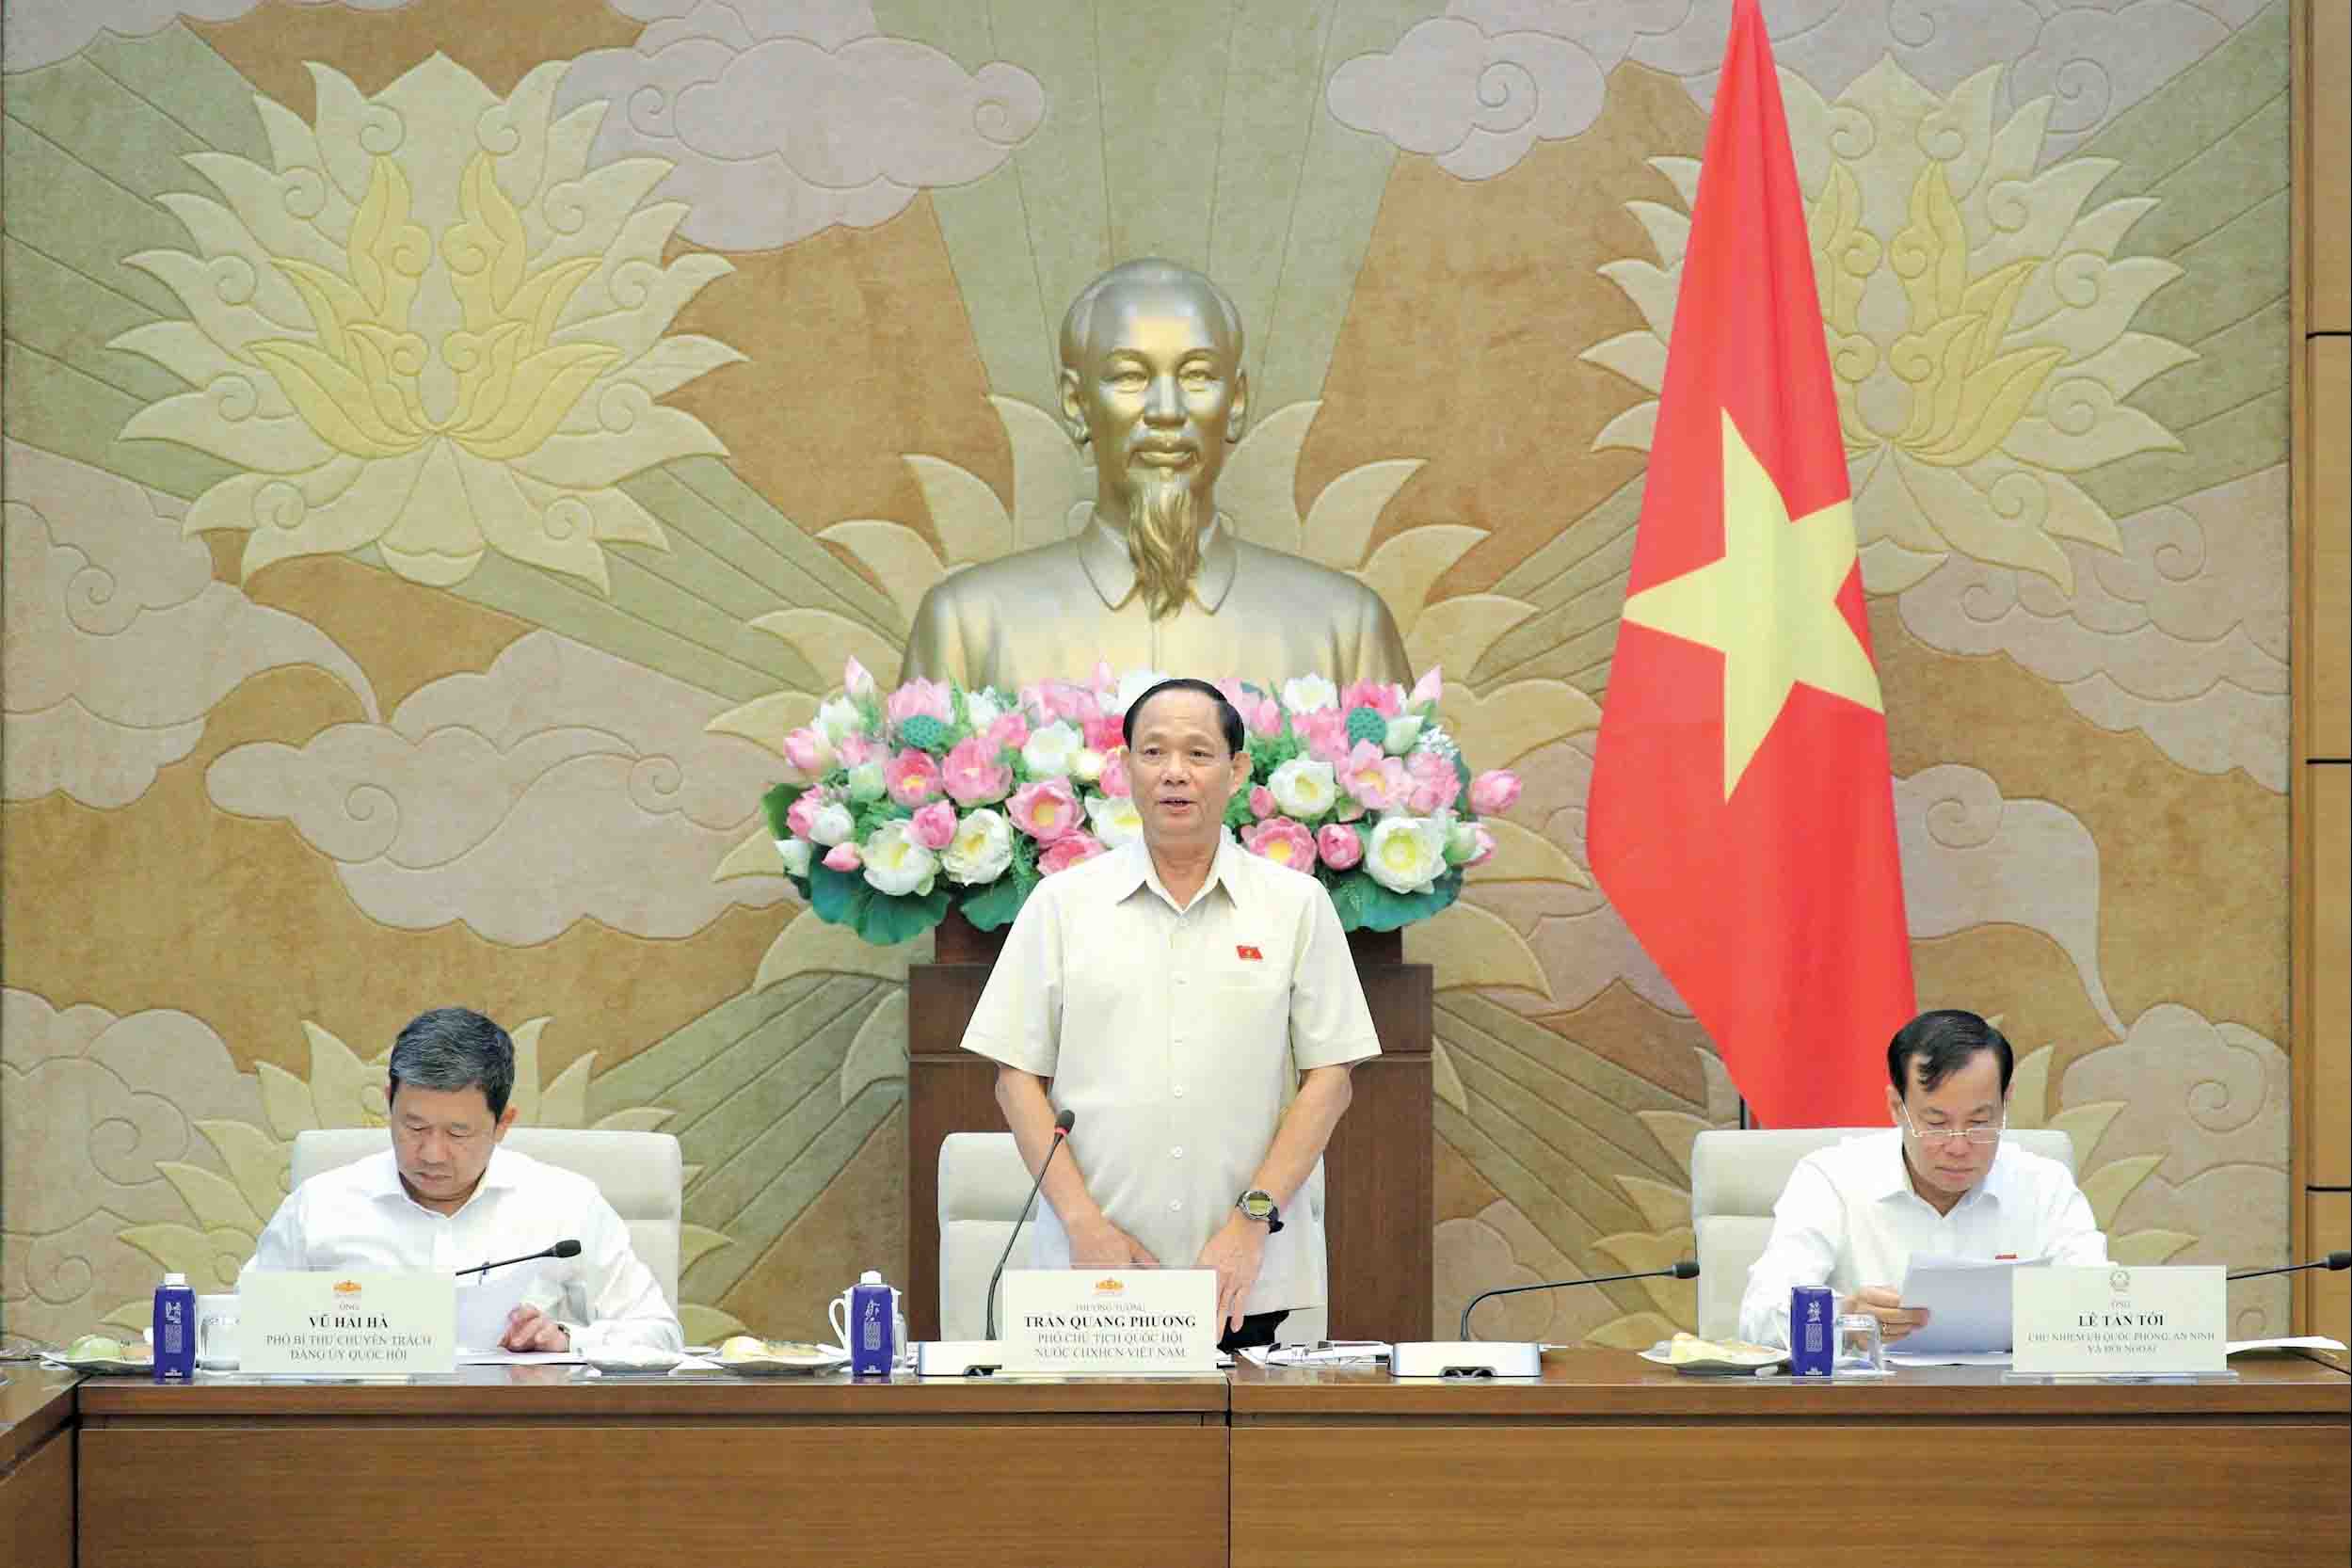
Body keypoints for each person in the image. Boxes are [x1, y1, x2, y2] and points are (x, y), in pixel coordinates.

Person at [961, 678, 1381, 1351]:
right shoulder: (1062, 904)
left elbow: (1330, 1079)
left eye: (1198, 753)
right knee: (1102, 1458)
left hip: (1247, 1272)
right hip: (1092, 1265)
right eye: (1153, 752)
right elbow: (1015, 1079)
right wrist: (1084, 1227)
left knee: (1242, 1457)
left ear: (1237, 770)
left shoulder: (1295, 906)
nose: (1175, 773)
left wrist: (1251, 1223)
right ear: (1124, 768)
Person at [901, 259, 1412, 692]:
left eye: (1196, 376)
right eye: (1129, 376)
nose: (1166, 411)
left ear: (1234, 402)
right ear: (1076, 403)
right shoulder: (967, 627)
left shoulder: (1346, 631)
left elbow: (1411, 809)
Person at [245, 1007, 682, 1355]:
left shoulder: (564, 1204)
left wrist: (567, 1340)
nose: (432, 1153)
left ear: (502, 1124)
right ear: (389, 1104)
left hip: (515, 1441)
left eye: (457, 1133)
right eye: (413, 1127)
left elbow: (658, 1334)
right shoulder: (320, 1206)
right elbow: (240, 1329)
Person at [1736, 1009, 2106, 1349]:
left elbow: (2100, 1308)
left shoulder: (2044, 1185)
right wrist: (1845, 1319)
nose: (1959, 1146)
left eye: (1980, 1122)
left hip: (2009, 1409)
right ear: (1897, 1107)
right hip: (1873, 1411)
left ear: (2005, 1102)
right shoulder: (1831, 1179)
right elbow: (1758, 1320)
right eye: (1936, 1124)